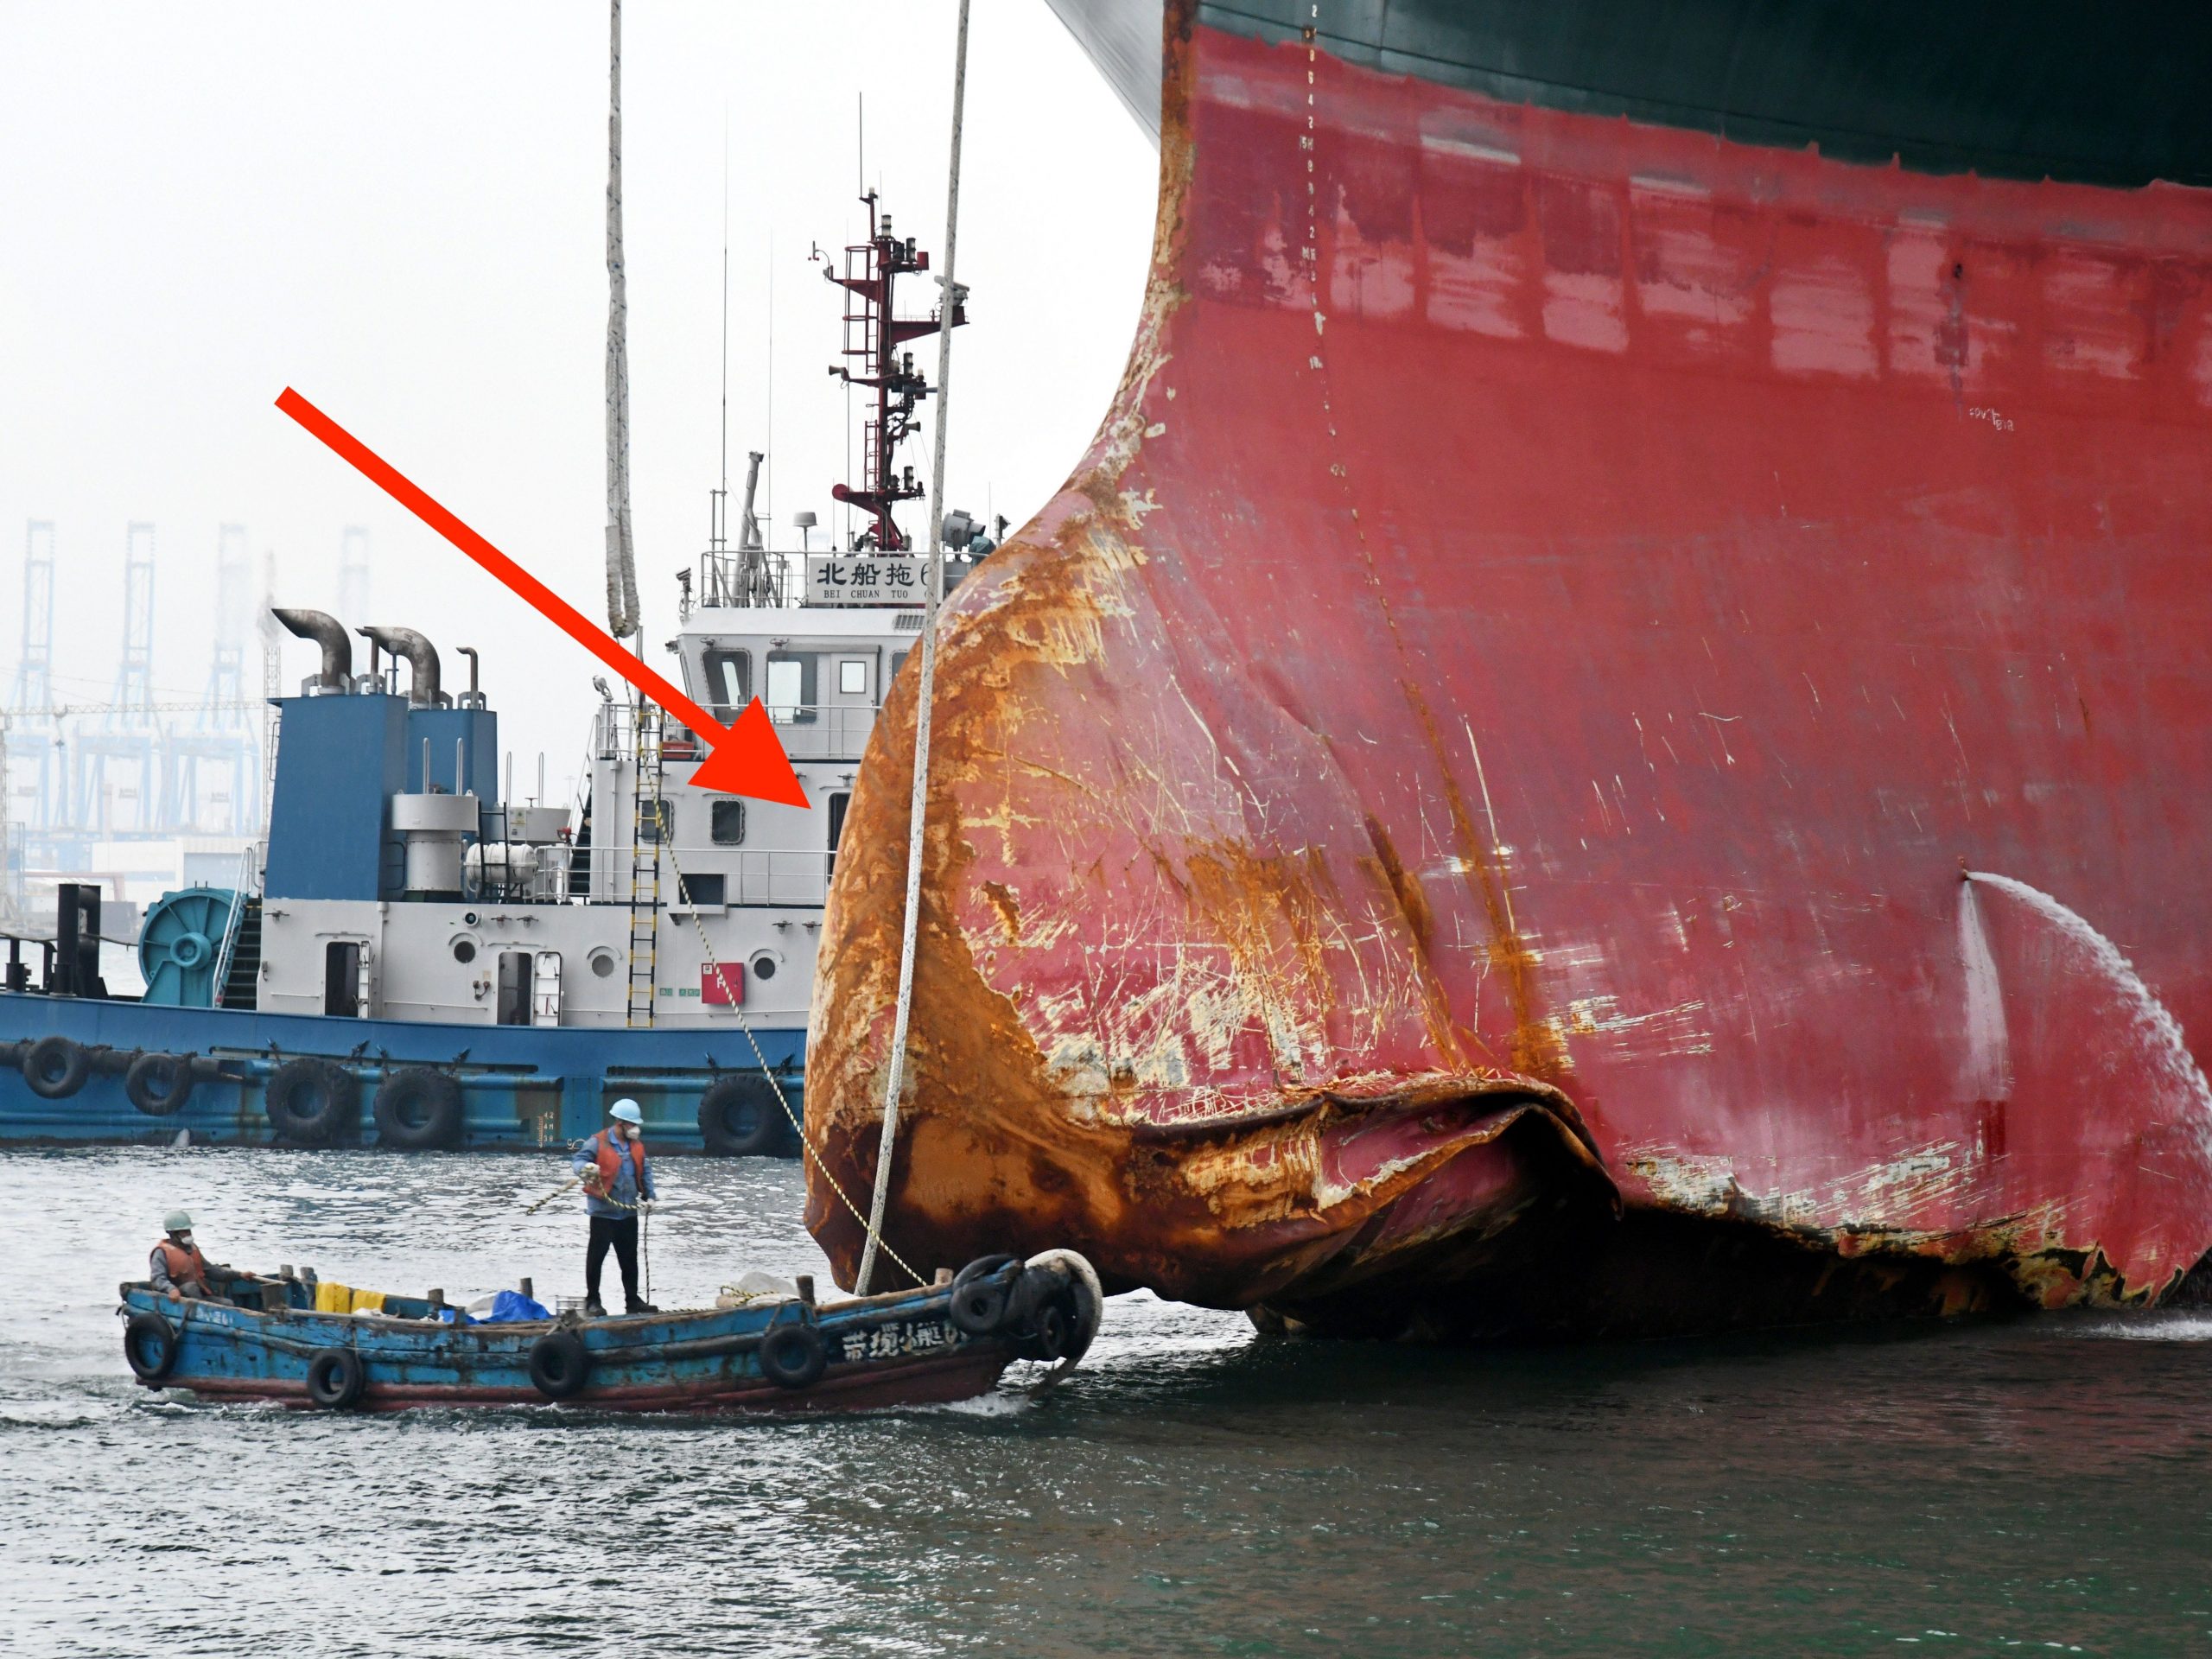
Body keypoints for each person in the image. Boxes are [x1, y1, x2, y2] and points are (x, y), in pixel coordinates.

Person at [573, 1100, 658, 1317]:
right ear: (620, 1123)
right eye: (631, 1124)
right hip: (603, 1212)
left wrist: (650, 1195)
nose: (635, 1128)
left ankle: (633, 1300)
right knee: (596, 1258)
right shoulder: (597, 1142)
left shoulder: (636, 1146)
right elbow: (578, 1161)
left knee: (629, 1259)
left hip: (628, 1211)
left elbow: (645, 1171)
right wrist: (586, 1168)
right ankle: (592, 1300)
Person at [148, 1210, 230, 1302]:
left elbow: (210, 1270)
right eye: (184, 1232)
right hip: (178, 1298)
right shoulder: (161, 1252)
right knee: (190, 1287)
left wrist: (239, 1275)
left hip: (199, 1295)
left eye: (189, 1231)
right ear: (173, 1234)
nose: (189, 1234)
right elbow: (157, 1279)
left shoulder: (192, 1248)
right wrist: (171, 1289)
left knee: (227, 1303)